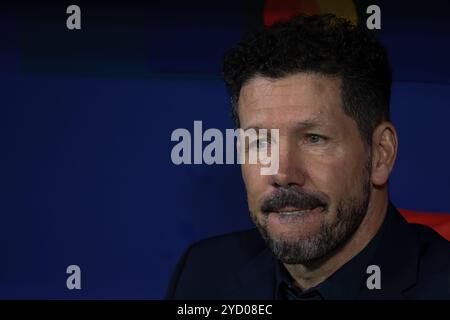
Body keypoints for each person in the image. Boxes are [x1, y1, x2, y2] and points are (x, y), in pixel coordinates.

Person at [166, 14, 450, 300]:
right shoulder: (203, 275)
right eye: (261, 142)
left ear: (380, 154)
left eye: (313, 139)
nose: (283, 173)